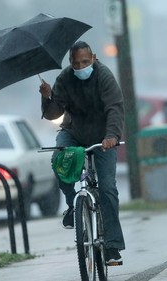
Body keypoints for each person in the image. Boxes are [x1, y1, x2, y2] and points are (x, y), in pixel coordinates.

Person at [39, 41, 125, 264]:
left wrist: (112, 136)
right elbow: (53, 113)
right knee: (59, 160)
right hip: (74, 132)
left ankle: (113, 246)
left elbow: (114, 108)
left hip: (103, 137)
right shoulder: (65, 78)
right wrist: (47, 97)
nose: (81, 66)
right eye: (76, 63)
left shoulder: (104, 76)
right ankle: (71, 206)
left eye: (85, 62)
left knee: (107, 187)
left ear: (94, 58)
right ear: (70, 63)